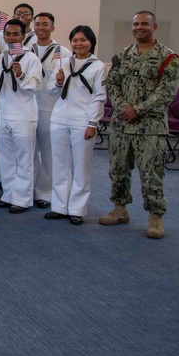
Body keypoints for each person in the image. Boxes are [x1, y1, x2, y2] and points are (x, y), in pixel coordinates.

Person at [101, 11, 179, 239]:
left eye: (144, 24)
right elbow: (113, 84)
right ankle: (120, 209)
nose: (139, 27)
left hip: (150, 128)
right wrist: (122, 107)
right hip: (122, 126)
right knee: (117, 170)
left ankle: (155, 217)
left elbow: (167, 92)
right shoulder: (123, 55)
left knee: (151, 173)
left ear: (154, 26)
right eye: (136, 24)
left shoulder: (168, 58)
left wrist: (137, 109)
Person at [46, 25, 106, 225]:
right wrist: (58, 82)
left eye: (83, 40)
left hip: (83, 121)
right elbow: (52, 92)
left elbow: (99, 97)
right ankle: (60, 206)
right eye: (75, 40)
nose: (78, 44)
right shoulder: (63, 63)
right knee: (60, 164)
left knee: (81, 166)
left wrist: (93, 123)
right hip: (60, 118)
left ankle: (77, 209)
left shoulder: (98, 67)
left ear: (91, 42)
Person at [0, 20, 43, 214]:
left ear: (23, 36)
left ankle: (22, 199)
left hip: (23, 115)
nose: (11, 37)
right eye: (8, 34)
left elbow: (37, 86)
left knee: (24, 158)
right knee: (5, 157)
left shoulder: (31, 59)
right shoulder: (0, 58)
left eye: (15, 34)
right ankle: (9, 195)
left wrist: (21, 76)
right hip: (4, 113)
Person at [31, 12, 66, 209]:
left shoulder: (63, 52)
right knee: (28, 152)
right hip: (26, 107)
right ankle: (26, 190)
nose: (41, 28)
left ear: (52, 27)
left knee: (47, 152)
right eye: (38, 24)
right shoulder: (26, 48)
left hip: (49, 107)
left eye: (45, 24)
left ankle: (44, 191)